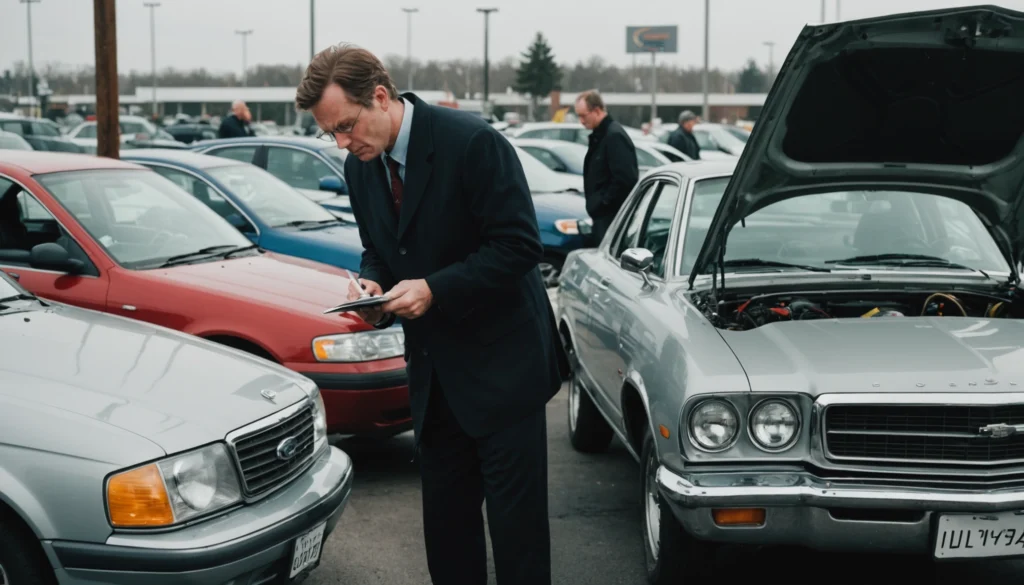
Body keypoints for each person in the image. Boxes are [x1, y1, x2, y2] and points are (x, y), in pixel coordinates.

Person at [295, 44, 569, 585]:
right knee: (446, 531)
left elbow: (518, 248)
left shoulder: (472, 143)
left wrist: (434, 290)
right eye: (332, 134)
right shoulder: (361, 166)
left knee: (518, 538)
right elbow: (379, 247)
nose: (343, 144)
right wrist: (374, 285)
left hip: (503, 372)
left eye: (347, 126)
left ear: (380, 96)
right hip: (433, 376)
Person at [575, 89, 639, 244]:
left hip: (611, 218)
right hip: (606, 217)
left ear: (596, 110)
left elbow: (625, 179)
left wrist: (602, 204)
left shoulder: (613, 136)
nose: (581, 121)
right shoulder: (603, 135)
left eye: (583, 115)